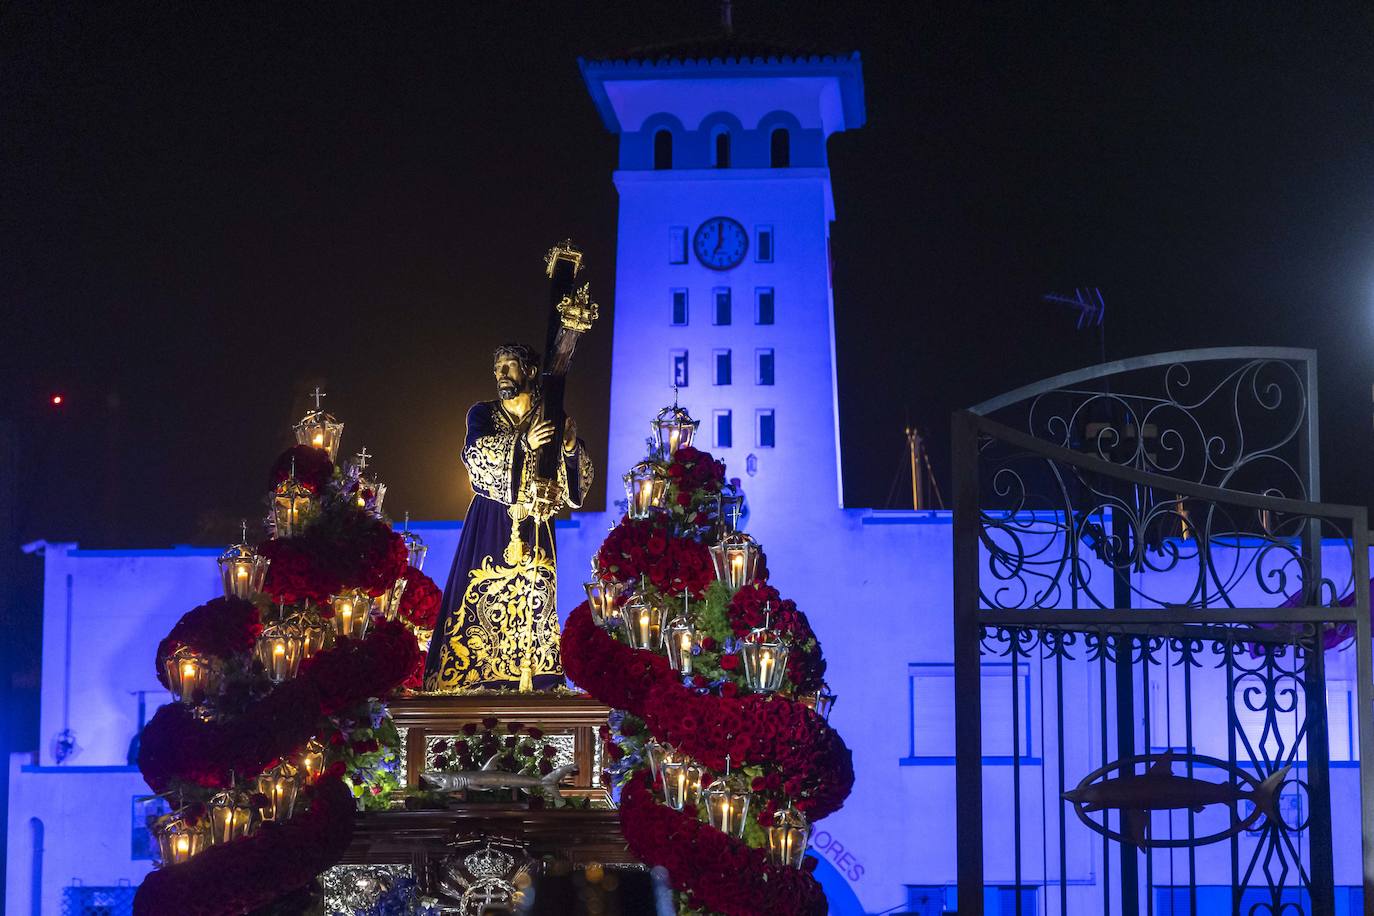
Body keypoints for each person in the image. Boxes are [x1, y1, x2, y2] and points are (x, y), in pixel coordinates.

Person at [425, 343, 592, 690]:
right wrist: (523, 444)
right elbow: (475, 455)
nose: (501, 374)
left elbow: (573, 488)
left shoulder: (550, 415)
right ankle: (471, 677)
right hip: (491, 517)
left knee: (534, 599)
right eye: (498, 367)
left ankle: (537, 679)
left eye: (509, 366)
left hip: (536, 520)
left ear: (529, 372)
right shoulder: (482, 413)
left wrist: (571, 446)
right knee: (475, 594)